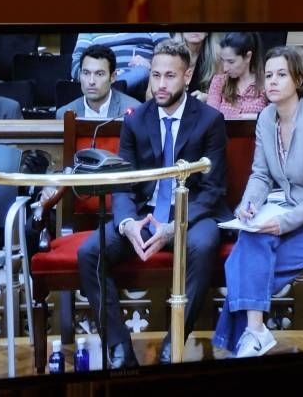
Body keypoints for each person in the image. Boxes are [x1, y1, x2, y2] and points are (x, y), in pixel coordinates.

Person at [76, 39, 231, 368]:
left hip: (192, 213)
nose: (160, 84)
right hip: (145, 214)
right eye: (155, 75)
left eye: (170, 76)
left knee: (203, 245)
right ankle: (119, 348)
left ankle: (173, 343)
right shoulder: (136, 118)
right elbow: (123, 181)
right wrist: (127, 223)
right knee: (90, 252)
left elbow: (213, 188)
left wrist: (176, 225)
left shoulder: (209, 120)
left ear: (187, 77)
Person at [212, 45, 303, 358]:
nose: (272, 81)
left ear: (299, 80)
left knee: (243, 265)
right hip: (292, 214)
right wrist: (248, 204)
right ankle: (256, 332)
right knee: (252, 242)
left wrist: (285, 222)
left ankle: (244, 342)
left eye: (281, 75)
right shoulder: (265, 119)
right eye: (269, 75)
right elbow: (260, 174)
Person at [69, 31, 170, 100]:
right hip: (102, 76)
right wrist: (93, 75)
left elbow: (171, 53)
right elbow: (76, 63)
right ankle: (111, 87)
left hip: (142, 76)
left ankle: (110, 92)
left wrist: (151, 66)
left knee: (141, 72)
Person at [55, 44, 141, 119]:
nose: (91, 81)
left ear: (113, 77)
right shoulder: (63, 115)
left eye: (99, 74)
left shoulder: (133, 111)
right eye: (86, 73)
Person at [207, 32, 268, 118]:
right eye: (222, 60)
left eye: (231, 62)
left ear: (248, 57)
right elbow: (210, 117)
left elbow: (276, 118)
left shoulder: (267, 83)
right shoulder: (219, 81)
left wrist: (255, 117)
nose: (225, 68)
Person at [174, 31, 220, 102]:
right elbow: (152, 94)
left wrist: (207, 97)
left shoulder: (217, 56)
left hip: (202, 110)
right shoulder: (170, 53)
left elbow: (224, 96)